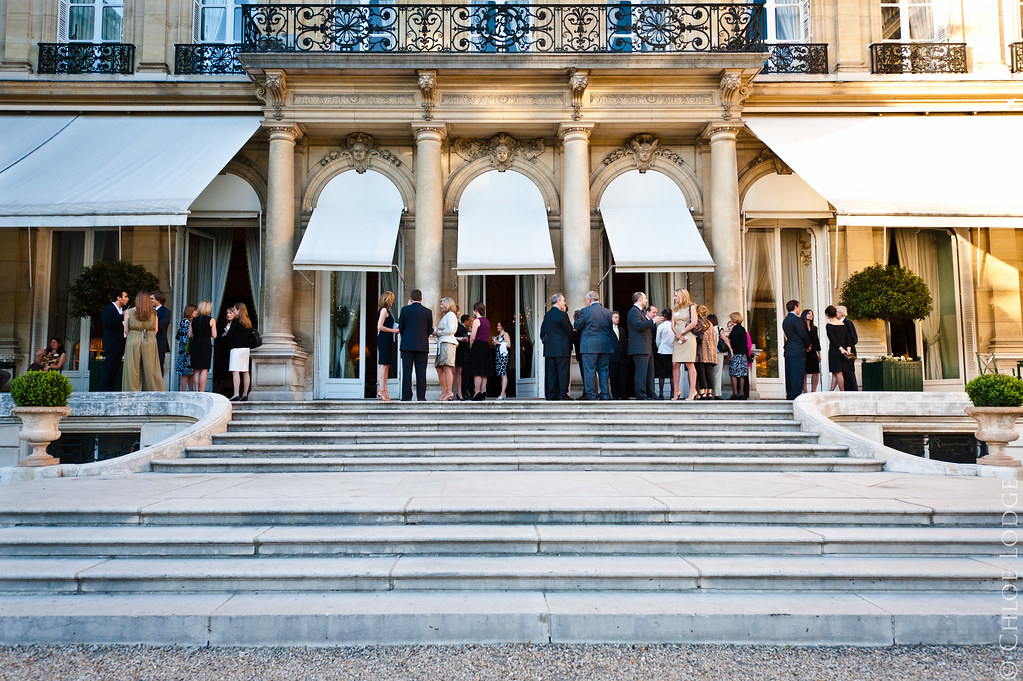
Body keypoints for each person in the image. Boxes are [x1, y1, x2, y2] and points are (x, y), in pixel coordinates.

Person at [574, 290, 614, 401]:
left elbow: (577, 326)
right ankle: (605, 394)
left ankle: (591, 395)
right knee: (604, 371)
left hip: (589, 346)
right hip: (605, 345)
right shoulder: (607, 312)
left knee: (589, 371)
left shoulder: (585, 311)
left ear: (588, 299)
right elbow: (610, 329)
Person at [122, 291, 165, 392]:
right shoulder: (154, 312)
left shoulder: (129, 312)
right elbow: (156, 329)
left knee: (132, 368)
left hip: (133, 337)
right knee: (151, 368)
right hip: (149, 338)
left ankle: (132, 392)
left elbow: (126, 329)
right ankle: (153, 391)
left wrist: (133, 335)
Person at [398, 289, 433, 402]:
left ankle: (406, 397)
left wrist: (406, 338)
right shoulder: (428, 312)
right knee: (421, 372)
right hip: (422, 346)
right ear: (421, 299)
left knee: (406, 372)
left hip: (407, 345)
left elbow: (401, 328)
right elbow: (429, 330)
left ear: (411, 299)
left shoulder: (404, 310)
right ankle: (421, 397)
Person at [626, 292, 662, 400]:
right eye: (645, 298)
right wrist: (653, 321)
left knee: (650, 373)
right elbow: (638, 325)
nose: (646, 300)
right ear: (640, 299)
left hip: (646, 347)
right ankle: (641, 395)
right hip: (639, 348)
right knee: (641, 372)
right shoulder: (633, 311)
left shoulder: (640, 312)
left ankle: (651, 393)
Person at [540, 293, 573, 401]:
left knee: (551, 373)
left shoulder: (547, 315)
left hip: (549, 349)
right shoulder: (562, 315)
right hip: (562, 348)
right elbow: (569, 331)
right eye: (563, 300)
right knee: (563, 373)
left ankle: (550, 395)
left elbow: (543, 332)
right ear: (558, 301)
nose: (564, 303)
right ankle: (562, 395)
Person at [671, 289, 699, 400]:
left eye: (676, 296)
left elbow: (694, 322)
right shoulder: (675, 309)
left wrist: (683, 332)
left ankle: (692, 390)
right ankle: (676, 391)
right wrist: (678, 335)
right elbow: (672, 325)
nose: (674, 298)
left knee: (689, 363)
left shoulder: (691, 307)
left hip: (688, 337)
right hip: (678, 337)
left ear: (682, 296)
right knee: (675, 364)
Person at [221, 303, 254, 401]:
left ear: (239, 310)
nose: (234, 312)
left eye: (235, 310)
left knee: (235, 371)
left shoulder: (236, 321)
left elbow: (230, 335)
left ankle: (236, 394)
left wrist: (226, 333)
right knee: (245, 372)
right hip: (246, 349)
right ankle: (245, 394)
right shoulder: (248, 322)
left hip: (236, 349)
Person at [782, 299, 811, 401]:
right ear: (795, 307)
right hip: (798, 349)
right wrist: (808, 345)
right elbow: (803, 334)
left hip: (789, 349)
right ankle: (796, 396)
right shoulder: (797, 320)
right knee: (797, 373)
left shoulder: (785, 320)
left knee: (790, 374)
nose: (800, 309)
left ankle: (790, 395)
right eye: (799, 307)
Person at [101, 289, 129, 391]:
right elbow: (107, 324)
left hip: (121, 344)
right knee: (109, 369)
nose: (127, 299)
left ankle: (111, 390)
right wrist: (122, 316)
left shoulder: (122, 310)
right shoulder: (108, 309)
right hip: (112, 345)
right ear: (118, 298)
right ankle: (105, 391)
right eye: (125, 296)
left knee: (115, 369)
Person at [375, 291, 399, 401]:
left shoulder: (385, 310)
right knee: (383, 365)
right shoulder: (384, 310)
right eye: (392, 299)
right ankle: (381, 389)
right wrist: (393, 330)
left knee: (387, 365)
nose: (393, 301)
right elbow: (379, 326)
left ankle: (385, 391)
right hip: (384, 339)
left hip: (388, 339)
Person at [189, 300, 216, 393]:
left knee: (196, 370)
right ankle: (202, 391)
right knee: (204, 369)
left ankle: (196, 390)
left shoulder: (193, 320)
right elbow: (214, 335)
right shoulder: (211, 320)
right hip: (205, 345)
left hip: (195, 344)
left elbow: (189, 335)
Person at [467, 302, 493, 401]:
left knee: (477, 371)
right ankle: (482, 392)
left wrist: (470, 346)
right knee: (484, 371)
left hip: (478, 346)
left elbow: (473, 336)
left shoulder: (477, 321)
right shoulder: (487, 321)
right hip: (486, 346)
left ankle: (477, 392)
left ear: (476, 310)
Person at [436, 297, 459, 401]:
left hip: (447, 343)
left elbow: (451, 330)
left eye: (442, 304)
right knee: (439, 368)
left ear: (448, 304)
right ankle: (444, 392)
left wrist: (438, 332)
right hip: (442, 343)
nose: (440, 306)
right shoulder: (446, 316)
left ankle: (449, 392)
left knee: (446, 367)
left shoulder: (451, 315)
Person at [825, 305, 852, 391]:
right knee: (835, 372)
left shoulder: (829, 325)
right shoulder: (843, 324)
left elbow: (833, 339)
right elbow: (848, 338)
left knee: (838, 373)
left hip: (835, 350)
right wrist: (848, 349)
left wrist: (841, 349)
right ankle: (831, 391)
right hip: (844, 351)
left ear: (827, 315)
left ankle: (842, 392)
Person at [694, 305, 717, 400]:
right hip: (710, 350)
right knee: (709, 371)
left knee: (701, 371)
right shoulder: (709, 323)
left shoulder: (698, 322)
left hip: (701, 349)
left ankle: (702, 391)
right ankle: (709, 392)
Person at [727, 312, 749, 400]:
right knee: (742, 374)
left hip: (736, 354)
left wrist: (729, 340)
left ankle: (735, 393)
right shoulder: (742, 329)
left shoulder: (735, 329)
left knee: (733, 374)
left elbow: (735, 341)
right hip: (743, 354)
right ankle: (741, 393)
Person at [837, 305, 859, 391]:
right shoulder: (838, 323)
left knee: (850, 372)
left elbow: (854, 338)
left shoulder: (848, 322)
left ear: (840, 313)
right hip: (843, 352)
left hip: (850, 352)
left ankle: (853, 391)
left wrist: (848, 348)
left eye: (836, 312)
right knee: (845, 372)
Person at [654, 307, 675, 399]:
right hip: (673, 351)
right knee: (672, 374)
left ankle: (661, 393)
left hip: (662, 351)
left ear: (664, 316)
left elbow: (657, 340)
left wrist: (659, 347)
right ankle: (672, 393)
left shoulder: (660, 326)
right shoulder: (675, 326)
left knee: (661, 374)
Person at [175, 304, 196, 391]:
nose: (196, 312)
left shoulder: (190, 321)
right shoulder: (185, 322)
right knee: (184, 372)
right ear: (191, 312)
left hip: (187, 350)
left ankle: (191, 391)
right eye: (195, 311)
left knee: (190, 372)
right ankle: (183, 391)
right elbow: (185, 337)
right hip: (185, 350)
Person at [151, 290, 171, 374]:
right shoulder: (148, 310)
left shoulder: (166, 312)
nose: (150, 300)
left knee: (158, 367)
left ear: (158, 299)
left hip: (159, 343)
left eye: (152, 298)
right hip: (148, 342)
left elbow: (160, 325)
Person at [802, 308, 821, 393]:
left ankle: (813, 391)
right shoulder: (801, 327)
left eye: (812, 314)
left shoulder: (814, 328)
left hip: (813, 352)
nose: (811, 315)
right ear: (804, 315)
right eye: (809, 313)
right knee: (804, 372)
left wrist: (819, 353)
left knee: (816, 372)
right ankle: (805, 392)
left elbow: (817, 341)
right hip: (804, 352)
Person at [492, 321, 512, 400]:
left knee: (503, 373)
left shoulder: (505, 334)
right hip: (498, 355)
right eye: (497, 325)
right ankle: (503, 393)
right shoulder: (497, 336)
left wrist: (499, 343)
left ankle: (503, 393)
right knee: (500, 374)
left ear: (503, 327)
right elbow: (496, 347)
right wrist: (494, 343)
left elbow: (509, 345)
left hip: (503, 356)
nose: (498, 327)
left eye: (499, 326)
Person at [455, 313, 471, 400]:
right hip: (460, 354)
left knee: (459, 374)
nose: (470, 323)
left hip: (460, 354)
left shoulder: (461, 327)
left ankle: (460, 393)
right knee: (459, 374)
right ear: (466, 321)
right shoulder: (461, 328)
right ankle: (460, 393)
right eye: (469, 321)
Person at [609, 311, 624, 400]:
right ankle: (615, 395)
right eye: (615, 317)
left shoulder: (622, 329)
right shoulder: (608, 330)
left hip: (621, 357)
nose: (617, 319)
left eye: (618, 317)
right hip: (612, 357)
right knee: (613, 377)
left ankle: (623, 394)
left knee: (622, 377)